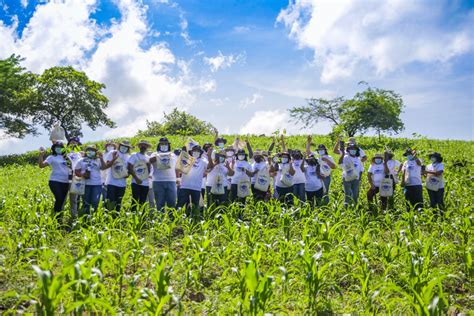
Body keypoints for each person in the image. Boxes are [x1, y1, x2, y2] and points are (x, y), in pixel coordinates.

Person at [38, 142, 71, 219]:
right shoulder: (52, 157)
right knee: (59, 198)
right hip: (55, 181)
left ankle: (59, 217)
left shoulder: (67, 157)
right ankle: (56, 217)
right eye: (57, 147)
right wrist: (41, 155)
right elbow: (41, 165)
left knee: (62, 201)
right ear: (54, 149)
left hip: (65, 182)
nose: (59, 149)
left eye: (60, 147)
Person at [177, 145, 211, 216]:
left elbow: (210, 167)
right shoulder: (187, 158)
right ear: (191, 152)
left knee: (195, 207)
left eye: (198, 151)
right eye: (194, 150)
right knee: (180, 205)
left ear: (200, 153)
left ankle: (194, 220)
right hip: (184, 186)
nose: (196, 152)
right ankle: (178, 219)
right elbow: (178, 168)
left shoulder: (203, 161)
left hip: (196, 188)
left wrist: (209, 156)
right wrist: (182, 153)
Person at [150, 137, 179, 213]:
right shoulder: (155, 154)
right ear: (159, 145)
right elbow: (149, 161)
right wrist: (160, 156)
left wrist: (178, 179)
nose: (164, 145)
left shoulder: (173, 155)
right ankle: (160, 221)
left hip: (171, 181)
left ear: (168, 145)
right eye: (162, 144)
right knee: (159, 203)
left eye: (165, 144)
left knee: (172, 202)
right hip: (158, 181)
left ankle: (171, 220)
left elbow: (177, 168)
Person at [74, 145, 106, 215]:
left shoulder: (97, 160)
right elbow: (76, 171)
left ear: (95, 152)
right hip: (85, 184)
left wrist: (101, 158)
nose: (90, 152)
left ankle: (93, 216)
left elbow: (104, 167)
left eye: (93, 151)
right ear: (86, 152)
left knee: (95, 201)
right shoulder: (81, 160)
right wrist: (82, 175)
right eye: (89, 150)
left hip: (97, 184)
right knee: (86, 202)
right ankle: (85, 217)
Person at [103, 140, 132, 213]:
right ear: (119, 146)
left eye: (126, 147)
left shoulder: (128, 157)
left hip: (122, 184)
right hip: (111, 182)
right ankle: (107, 219)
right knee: (110, 203)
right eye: (123, 146)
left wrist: (127, 174)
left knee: (118, 203)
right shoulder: (113, 153)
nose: (124, 148)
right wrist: (114, 159)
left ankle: (116, 218)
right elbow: (106, 165)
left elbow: (129, 171)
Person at [128, 140, 152, 212]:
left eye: (145, 145)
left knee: (143, 202)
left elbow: (149, 171)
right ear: (139, 146)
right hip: (136, 182)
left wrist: (148, 165)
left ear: (147, 147)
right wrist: (136, 178)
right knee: (134, 200)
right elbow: (129, 167)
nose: (143, 146)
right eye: (142, 145)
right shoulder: (134, 155)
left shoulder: (148, 158)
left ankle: (142, 218)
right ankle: (133, 216)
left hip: (145, 183)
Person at [339, 143, 364, 207]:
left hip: (356, 178)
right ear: (348, 150)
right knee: (347, 193)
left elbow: (361, 169)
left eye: (354, 149)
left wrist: (359, 178)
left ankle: (355, 206)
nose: (353, 150)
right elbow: (340, 164)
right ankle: (346, 206)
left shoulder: (358, 159)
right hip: (346, 178)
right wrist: (342, 155)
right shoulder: (346, 157)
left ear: (356, 150)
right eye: (351, 149)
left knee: (355, 194)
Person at [66, 137, 83, 218]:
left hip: (76, 179)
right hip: (65, 179)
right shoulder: (65, 153)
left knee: (75, 199)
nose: (73, 144)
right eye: (71, 142)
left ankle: (74, 216)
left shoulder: (80, 155)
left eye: (75, 143)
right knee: (64, 198)